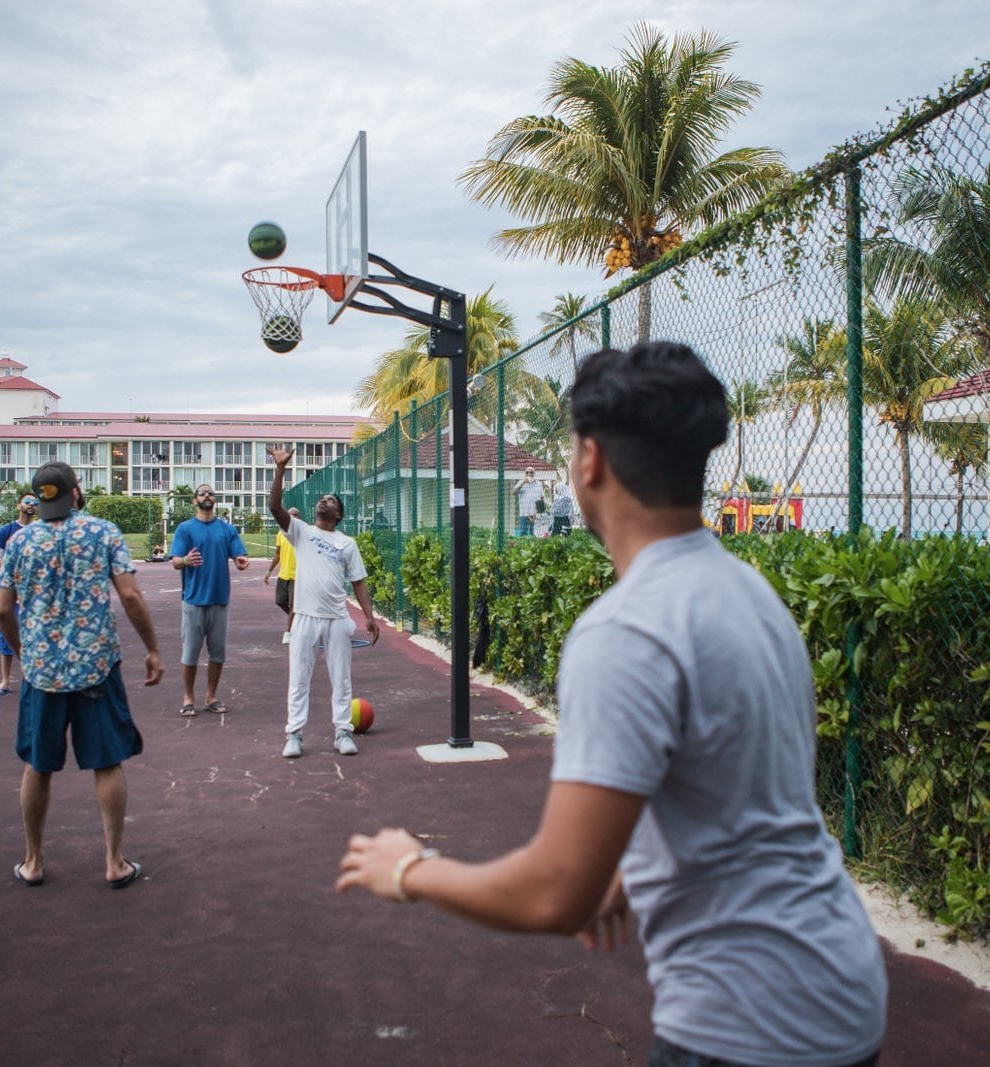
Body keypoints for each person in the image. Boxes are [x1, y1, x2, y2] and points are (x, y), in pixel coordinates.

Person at [335, 342, 887, 1067]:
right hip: (842, 987)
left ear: (589, 460)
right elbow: (735, 794)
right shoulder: (750, 592)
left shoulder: (625, 630)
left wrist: (411, 868)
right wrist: (629, 873)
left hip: (748, 1027)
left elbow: (555, 893)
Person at [0, 461, 163, 890]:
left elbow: (0, 610)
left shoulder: (20, 542)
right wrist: (152, 649)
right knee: (107, 762)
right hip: (95, 666)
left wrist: (24, 650)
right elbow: (129, 594)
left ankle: (33, 862)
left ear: (38, 499)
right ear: (76, 492)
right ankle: (114, 862)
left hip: (42, 673)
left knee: (38, 765)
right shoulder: (103, 532)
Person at [266, 446, 380, 758]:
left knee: (341, 679)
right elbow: (274, 506)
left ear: (338, 514)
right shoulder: (301, 531)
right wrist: (279, 469)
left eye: (329, 500)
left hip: (337, 619)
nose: (322, 502)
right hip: (304, 617)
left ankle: (342, 732)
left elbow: (359, 583)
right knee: (298, 679)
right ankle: (294, 735)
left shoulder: (347, 543)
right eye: (321, 499)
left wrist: (369, 617)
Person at [168, 485, 249, 716]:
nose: (207, 496)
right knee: (190, 653)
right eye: (202, 493)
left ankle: (211, 696)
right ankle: (188, 697)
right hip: (193, 600)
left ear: (215, 500)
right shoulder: (185, 529)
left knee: (217, 654)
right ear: (195, 500)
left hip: (220, 600)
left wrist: (240, 561)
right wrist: (185, 560)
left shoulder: (227, 530)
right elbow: (175, 561)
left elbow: (238, 555)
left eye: (211, 493)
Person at [0, 494, 38, 696]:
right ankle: (5, 681)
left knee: (36, 637)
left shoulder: (40, 531)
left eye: (35, 503)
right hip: (12, 594)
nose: (31, 505)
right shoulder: (7, 531)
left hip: (34, 596)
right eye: (27, 502)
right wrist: (13, 561)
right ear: (19, 505)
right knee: (6, 636)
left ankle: (34, 679)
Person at [262, 506, 299, 644]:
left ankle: (289, 631)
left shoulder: (302, 533)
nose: (293, 517)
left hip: (298, 575)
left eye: (295, 515)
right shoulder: (281, 533)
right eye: (290, 515)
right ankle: (298, 618)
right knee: (280, 601)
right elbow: (278, 554)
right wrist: (269, 571)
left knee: (294, 604)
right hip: (284, 574)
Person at [514, 466, 545, 536]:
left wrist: (538, 512)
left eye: (531, 472)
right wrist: (523, 483)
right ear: (525, 474)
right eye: (527, 472)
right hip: (523, 513)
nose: (529, 474)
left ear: (534, 474)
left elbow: (542, 498)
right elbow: (514, 492)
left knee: (534, 533)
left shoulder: (539, 484)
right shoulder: (521, 482)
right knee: (523, 533)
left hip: (534, 513)